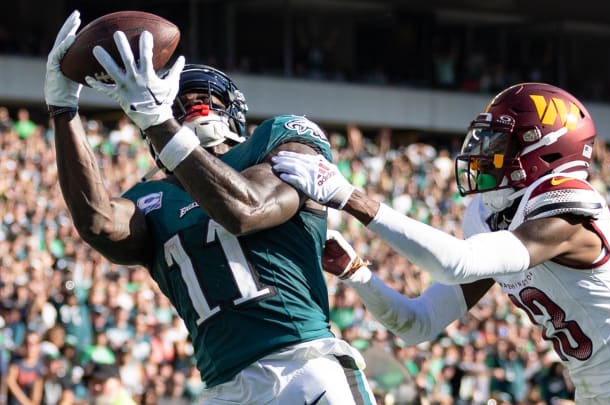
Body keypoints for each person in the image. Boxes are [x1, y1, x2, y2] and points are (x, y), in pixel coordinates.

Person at [271, 82, 610, 404]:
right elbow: (417, 325)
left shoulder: (565, 206)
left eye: (500, 141)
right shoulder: (491, 213)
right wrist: (360, 274)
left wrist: (352, 198)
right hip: (596, 389)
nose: (483, 153)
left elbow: (458, 264)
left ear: (543, 150)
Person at [45, 11, 375, 404]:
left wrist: (159, 120)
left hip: (303, 368)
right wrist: (63, 110)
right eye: (178, 103)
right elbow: (98, 223)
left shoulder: (276, 140)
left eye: (206, 96)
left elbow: (246, 210)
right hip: (222, 390)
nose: (194, 105)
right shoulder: (151, 196)